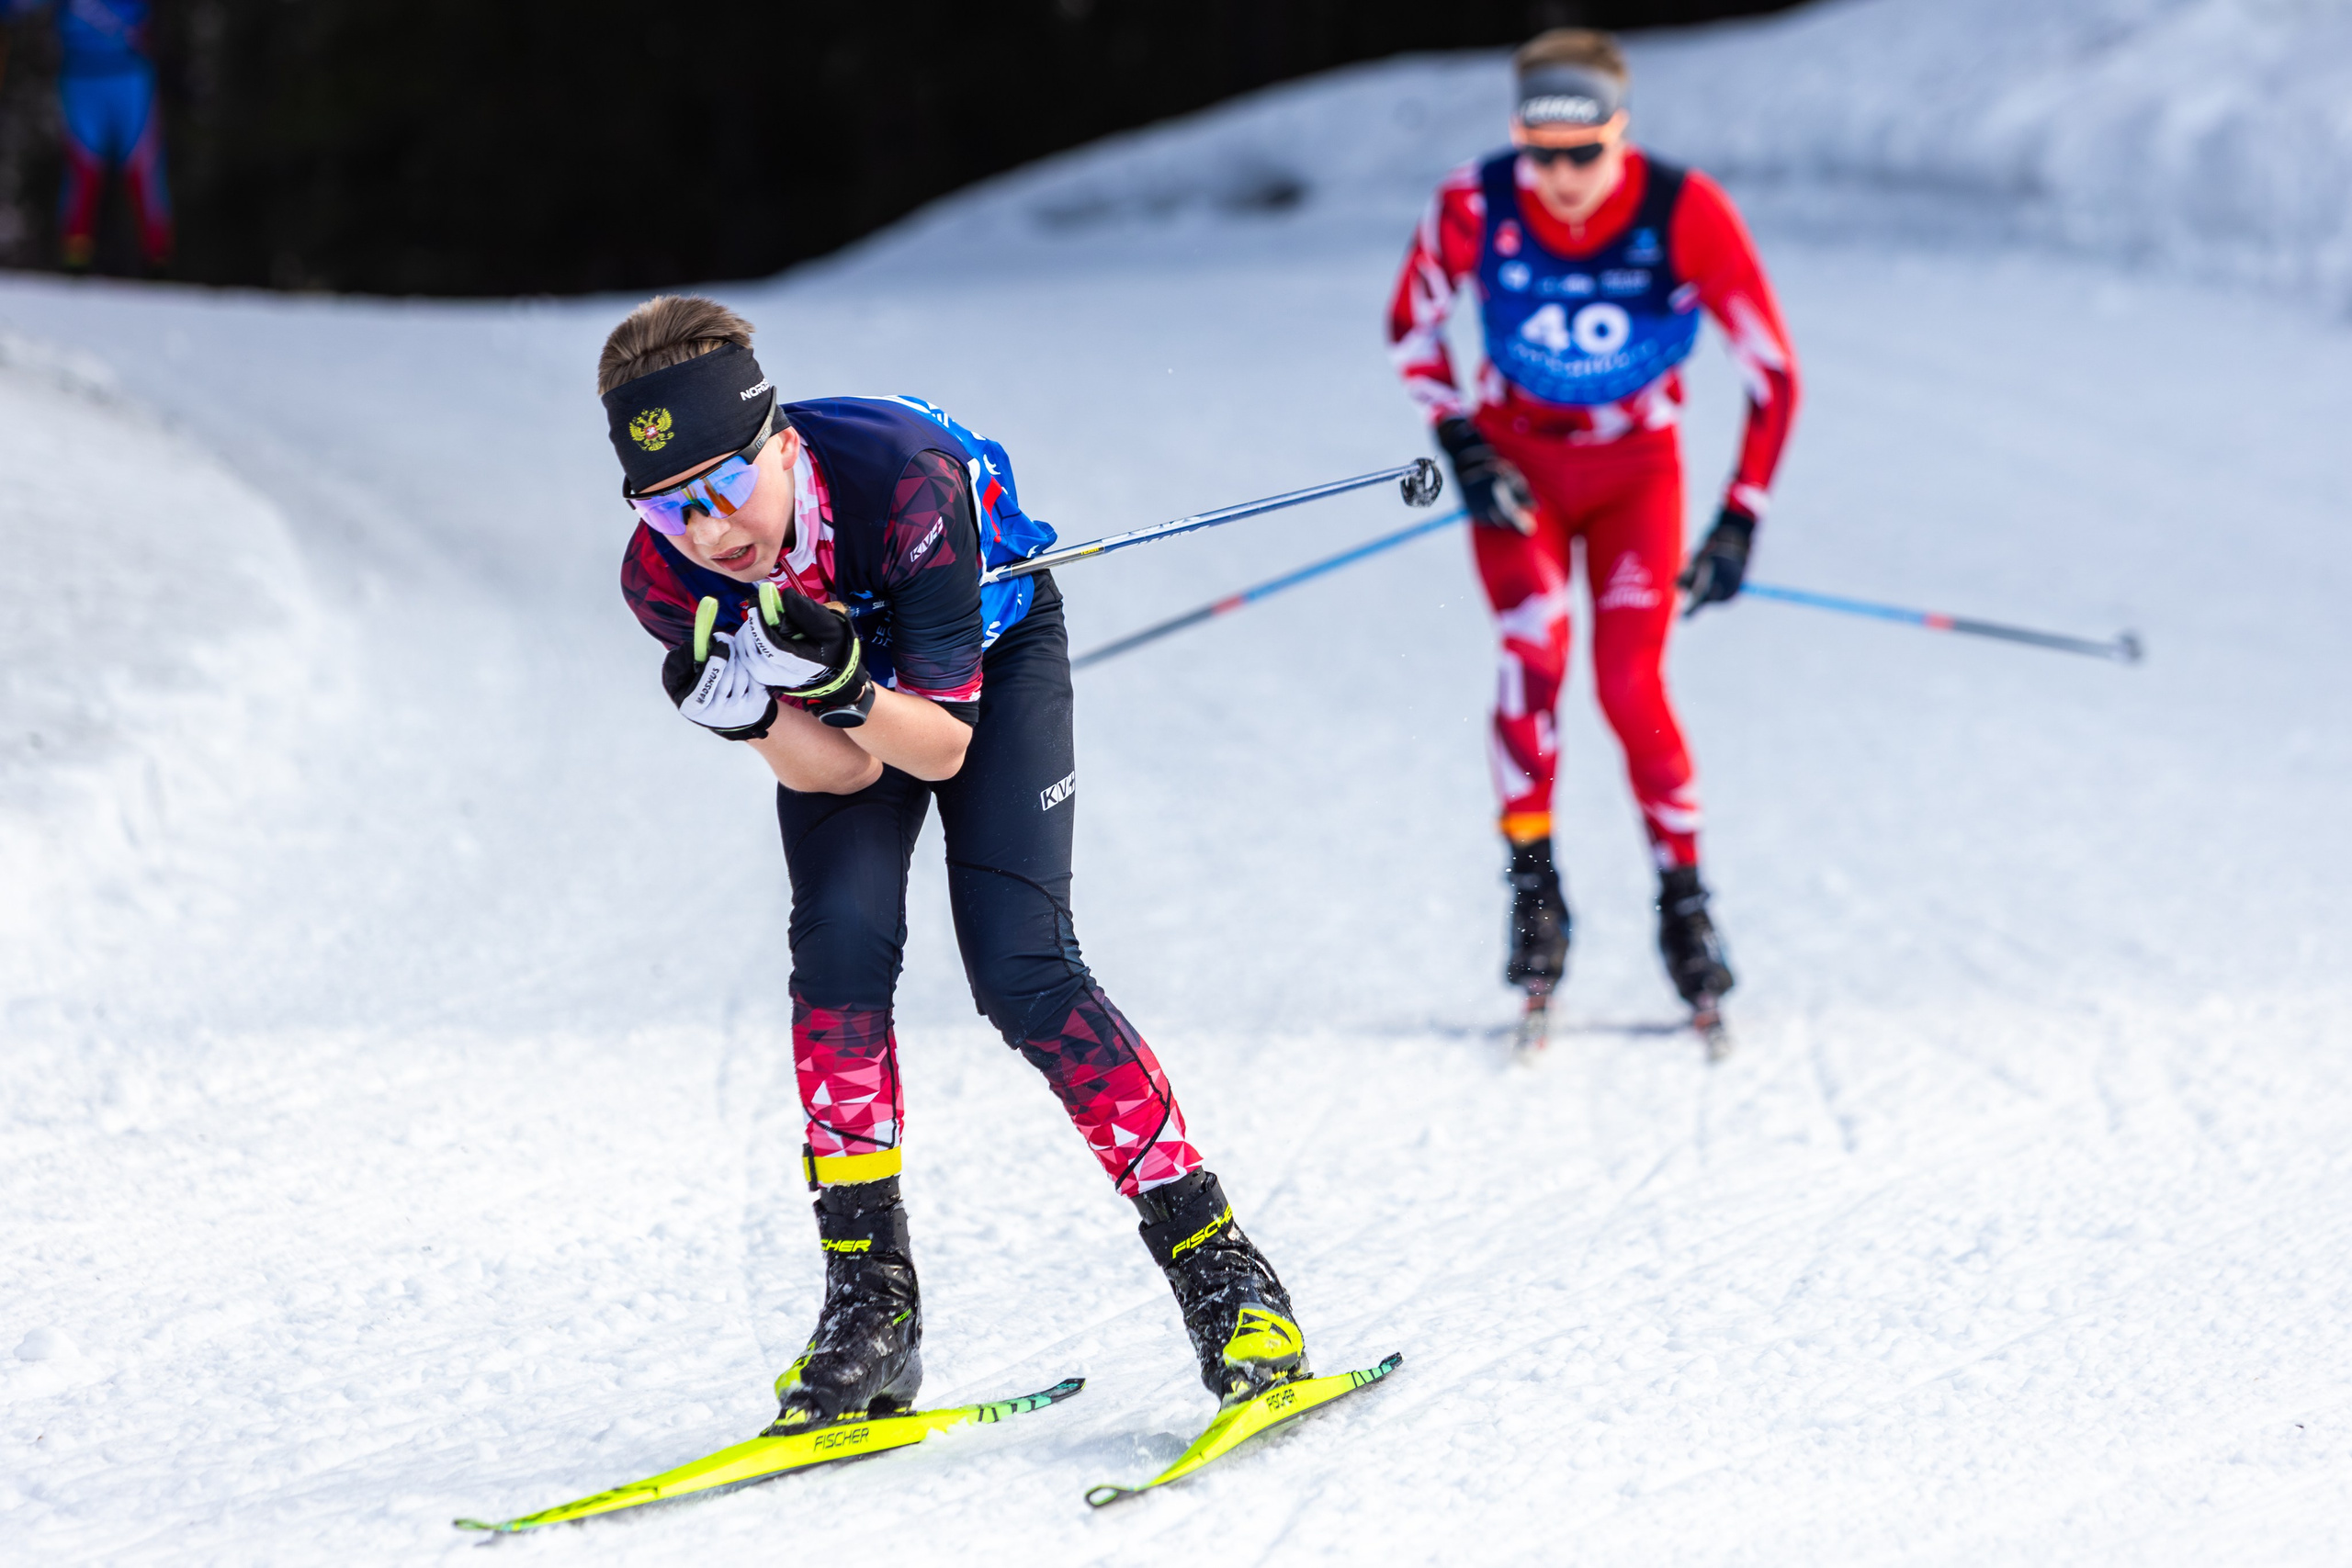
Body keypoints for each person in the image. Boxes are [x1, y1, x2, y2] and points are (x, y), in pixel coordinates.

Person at [594, 296, 1308, 1427]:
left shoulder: (902, 480)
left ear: (780, 441)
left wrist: (834, 683)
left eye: (728, 484)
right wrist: (749, 721)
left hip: (989, 657)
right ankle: (869, 1311)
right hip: (852, 709)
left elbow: (940, 746)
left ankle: (1225, 1278)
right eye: (670, 507)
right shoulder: (666, 583)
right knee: (837, 954)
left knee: (1022, 966)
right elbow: (839, 777)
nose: (713, 530)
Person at [1384, 28, 1799, 1023]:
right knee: (1534, 652)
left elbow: (1771, 373)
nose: (1561, 179)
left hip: (1634, 477)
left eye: (1584, 155)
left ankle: (1684, 902)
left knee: (1627, 682)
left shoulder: (1682, 210)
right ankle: (1534, 889)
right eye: (1541, 155)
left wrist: (1738, 518)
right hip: (1519, 468)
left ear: (1622, 135)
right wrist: (1462, 444)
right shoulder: (1475, 204)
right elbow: (1411, 325)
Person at [5, 0, 173, 271]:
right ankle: (75, 260)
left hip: (130, 76)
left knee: (142, 171)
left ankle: (158, 262)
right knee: (83, 172)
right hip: (80, 78)